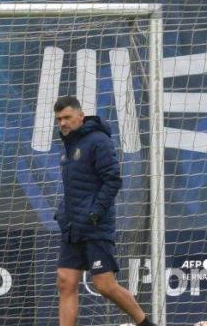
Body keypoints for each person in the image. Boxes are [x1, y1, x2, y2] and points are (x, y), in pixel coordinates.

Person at [53, 96, 156, 326]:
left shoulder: (99, 140)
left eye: (67, 117)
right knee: (65, 281)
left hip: (95, 225)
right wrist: (63, 212)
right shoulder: (69, 144)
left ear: (81, 116)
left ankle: (145, 323)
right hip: (71, 226)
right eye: (59, 119)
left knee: (104, 285)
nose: (62, 123)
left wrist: (95, 212)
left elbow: (113, 180)